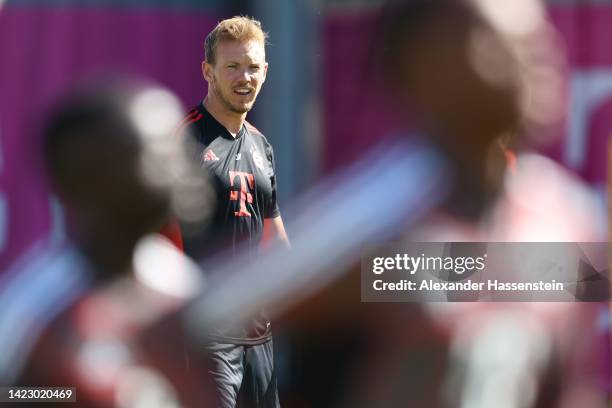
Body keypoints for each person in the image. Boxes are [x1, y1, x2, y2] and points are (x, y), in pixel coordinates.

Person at [0, 78, 216, 407]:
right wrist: (67, 393)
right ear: (89, 179)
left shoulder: (178, 279)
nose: (188, 171)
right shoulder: (36, 309)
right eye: (163, 155)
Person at [176, 16, 289, 408]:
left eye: (254, 67)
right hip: (208, 335)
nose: (245, 77)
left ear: (266, 71)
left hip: (259, 336)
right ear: (208, 71)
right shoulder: (181, 141)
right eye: (232, 66)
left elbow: (275, 237)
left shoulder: (262, 145)